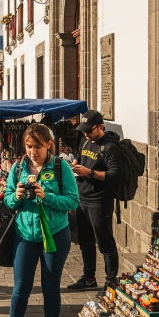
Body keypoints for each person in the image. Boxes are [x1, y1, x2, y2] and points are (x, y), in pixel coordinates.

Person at [0, 124, 79, 317]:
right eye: (29, 146)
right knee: (20, 288)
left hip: (54, 235)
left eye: (38, 147)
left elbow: (72, 201)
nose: (32, 151)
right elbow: (8, 200)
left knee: (51, 289)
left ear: (49, 144)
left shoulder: (61, 167)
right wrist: (17, 196)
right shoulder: (18, 167)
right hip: (24, 236)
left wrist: (47, 196)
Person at [67, 110, 124, 291]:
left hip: (99, 201)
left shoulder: (110, 147)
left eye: (89, 131)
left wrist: (89, 173)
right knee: (85, 242)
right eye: (83, 131)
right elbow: (80, 158)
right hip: (82, 199)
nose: (85, 134)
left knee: (105, 243)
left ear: (101, 127)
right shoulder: (85, 141)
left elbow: (116, 175)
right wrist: (74, 165)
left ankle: (111, 282)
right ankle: (89, 277)